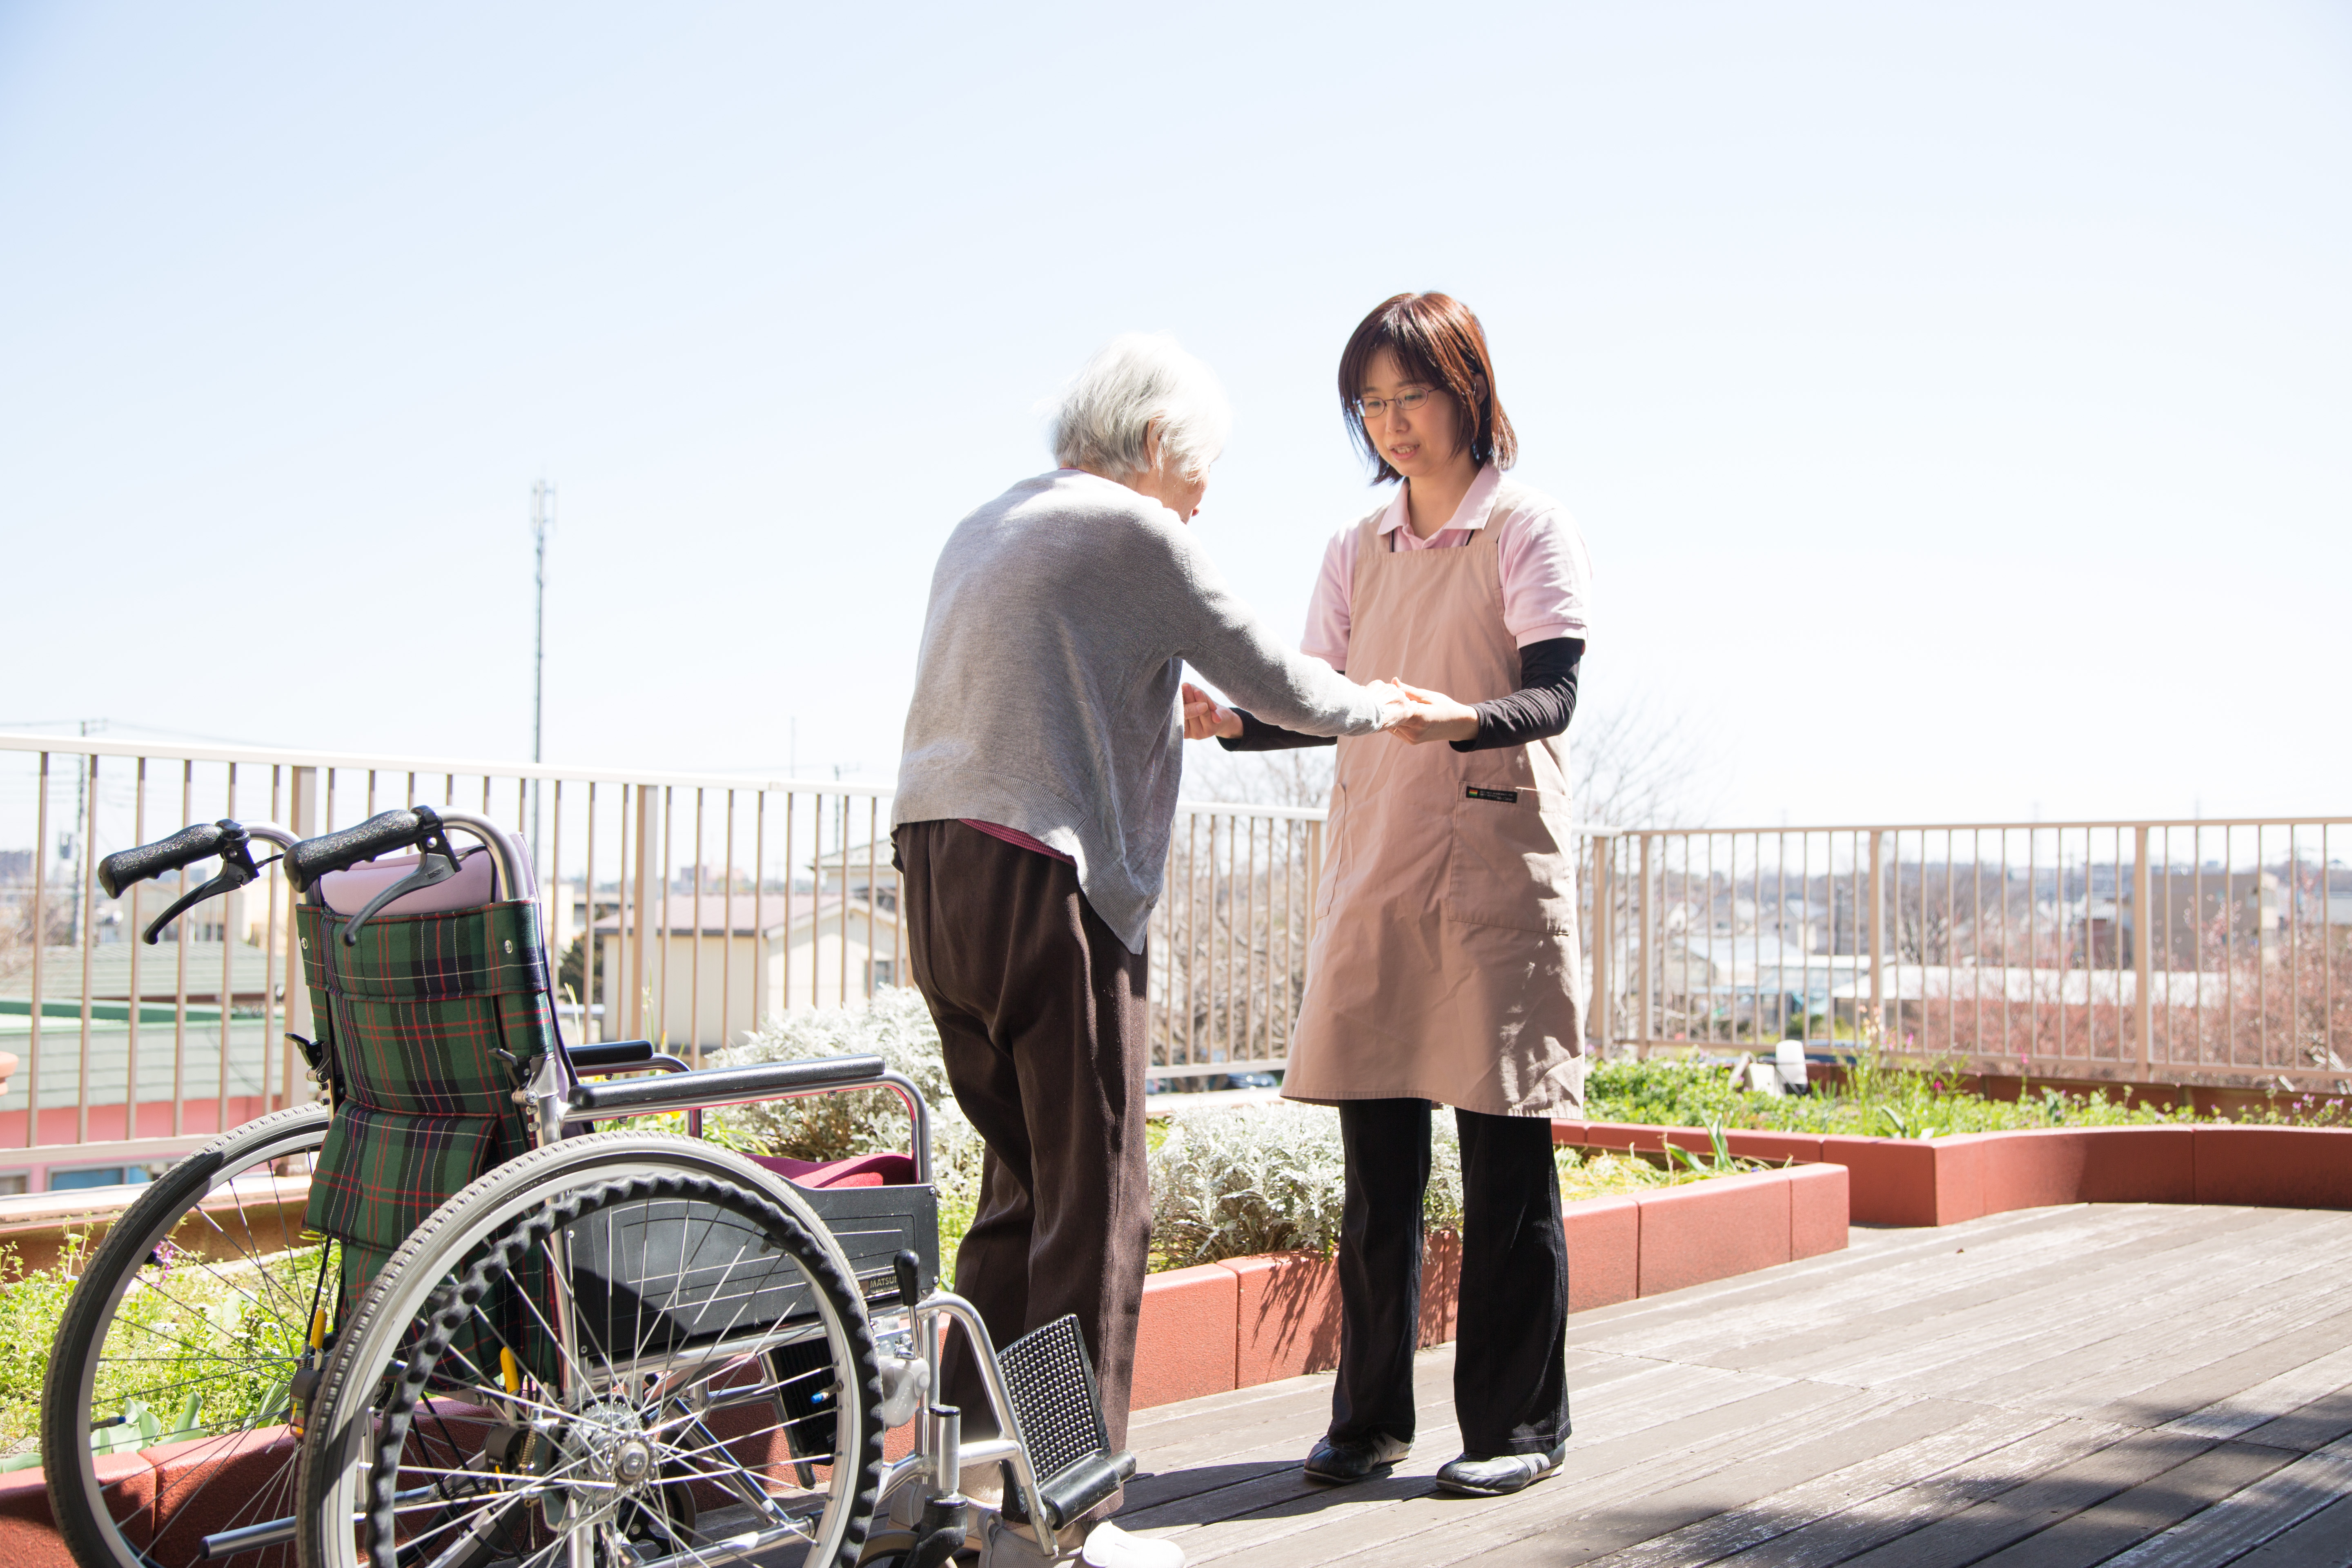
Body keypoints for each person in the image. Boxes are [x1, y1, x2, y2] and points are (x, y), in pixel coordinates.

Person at [893, 333, 1412, 1568]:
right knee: (1098, 1199)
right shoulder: (1136, 531)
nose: (1207, 491)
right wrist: (1388, 703)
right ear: (1162, 444)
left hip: (937, 872)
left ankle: (966, 1490)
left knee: (1019, 1196)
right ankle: (1070, 1520)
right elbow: (1284, 680)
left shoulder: (990, 521)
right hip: (1049, 879)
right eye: (1206, 465)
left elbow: (1049, 672)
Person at [1184, 292, 1592, 1498]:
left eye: (1410, 395)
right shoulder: (1356, 548)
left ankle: (1520, 1429)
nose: (1392, 423)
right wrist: (1229, 725)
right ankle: (1368, 1421)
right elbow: (1321, 700)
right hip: (1377, 867)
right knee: (1378, 1178)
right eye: (1371, 402)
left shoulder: (1524, 524)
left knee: (1504, 1166)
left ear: (1468, 390)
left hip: (1493, 870)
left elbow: (1556, 693)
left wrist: (1460, 718)